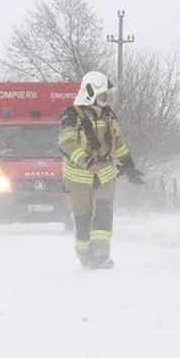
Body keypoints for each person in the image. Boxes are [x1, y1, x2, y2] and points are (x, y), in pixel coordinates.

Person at [58, 70, 145, 269]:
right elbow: (67, 143)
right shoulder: (71, 115)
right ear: (90, 92)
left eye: (107, 94)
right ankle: (85, 254)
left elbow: (118, 142)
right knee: (83, 218)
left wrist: (129, 165)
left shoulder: (108, 114)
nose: (106, 98)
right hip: (78, 178)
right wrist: (87, 162)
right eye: (103, 94)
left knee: (105, 212)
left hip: (105, 175)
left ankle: (102, 255)